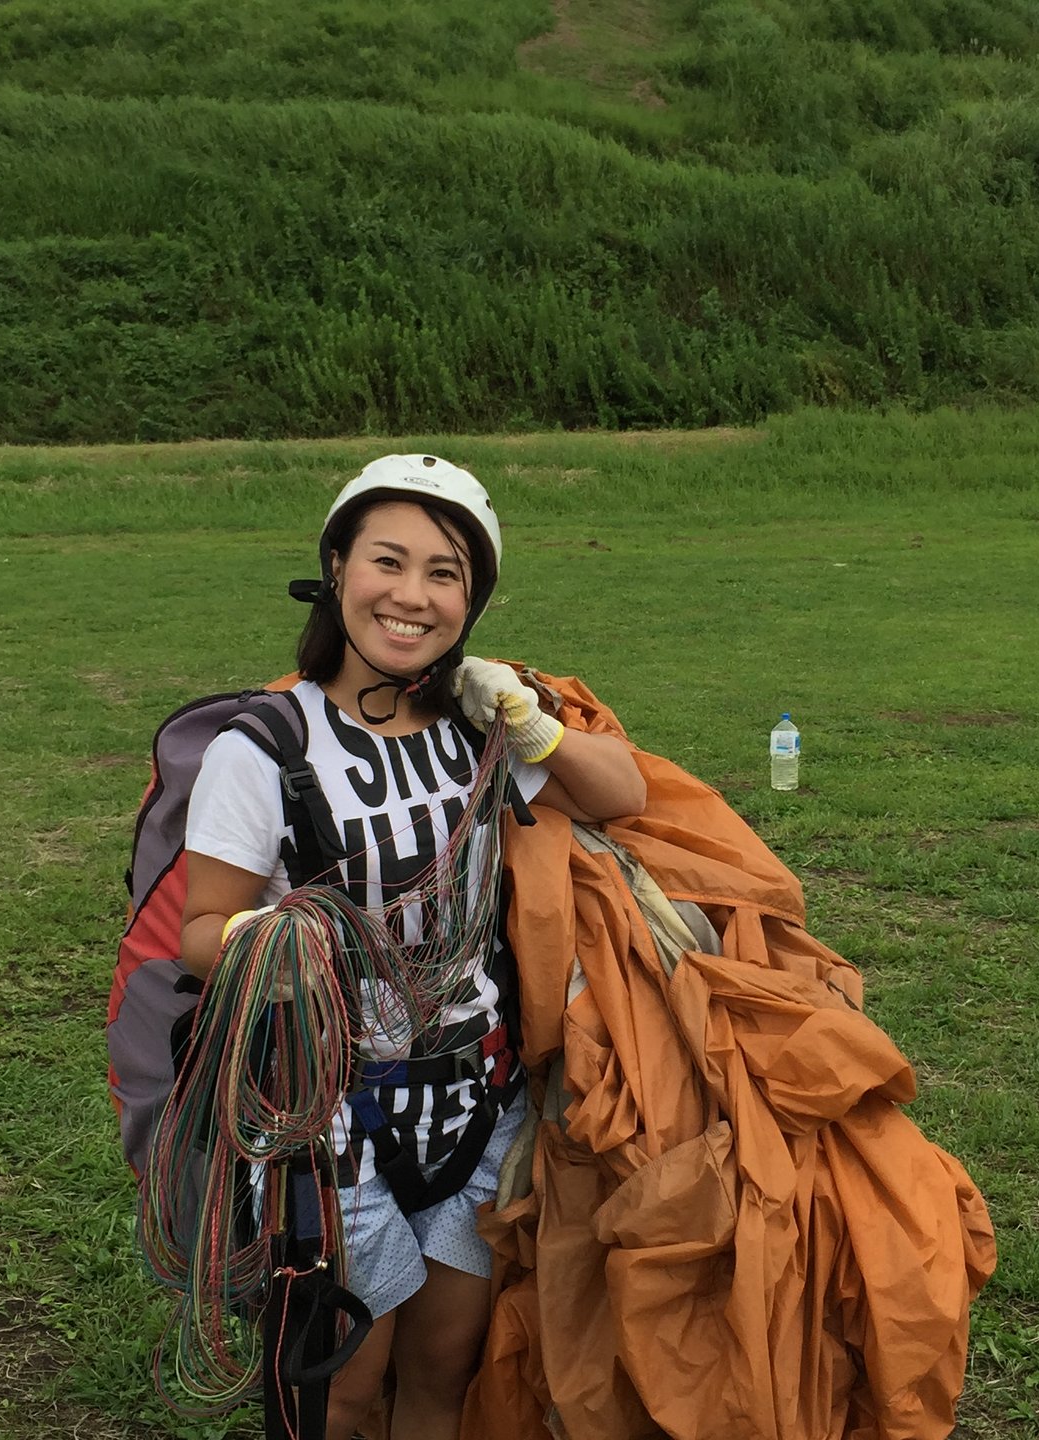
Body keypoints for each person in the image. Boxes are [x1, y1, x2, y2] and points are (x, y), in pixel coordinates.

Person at [176, 454, 646, 1440]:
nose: (413, 595)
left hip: (477, 1110)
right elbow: (200, 936)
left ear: (469, 602)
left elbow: (622, 794)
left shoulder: (477, 731)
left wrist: (536, 731)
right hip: (331, 1126)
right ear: (338, 567)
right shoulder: (262, 751)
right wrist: (281, 940)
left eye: (446, 574)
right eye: (388, 561)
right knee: (347, 1393)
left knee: (444, 1371)